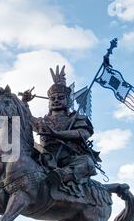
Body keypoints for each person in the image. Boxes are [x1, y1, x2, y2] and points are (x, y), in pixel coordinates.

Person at [20, 66, 100, 196]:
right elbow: (26, 119)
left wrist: (57, 134)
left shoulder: (77, 118)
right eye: (53, 98)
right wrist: (24, 102)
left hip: (69, 158)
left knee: (87, 162)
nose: (56, 100)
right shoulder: (43, 122)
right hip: (44, 158)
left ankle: (61, 176)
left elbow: (83, 134)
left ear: (68, 100)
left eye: (60, 98)